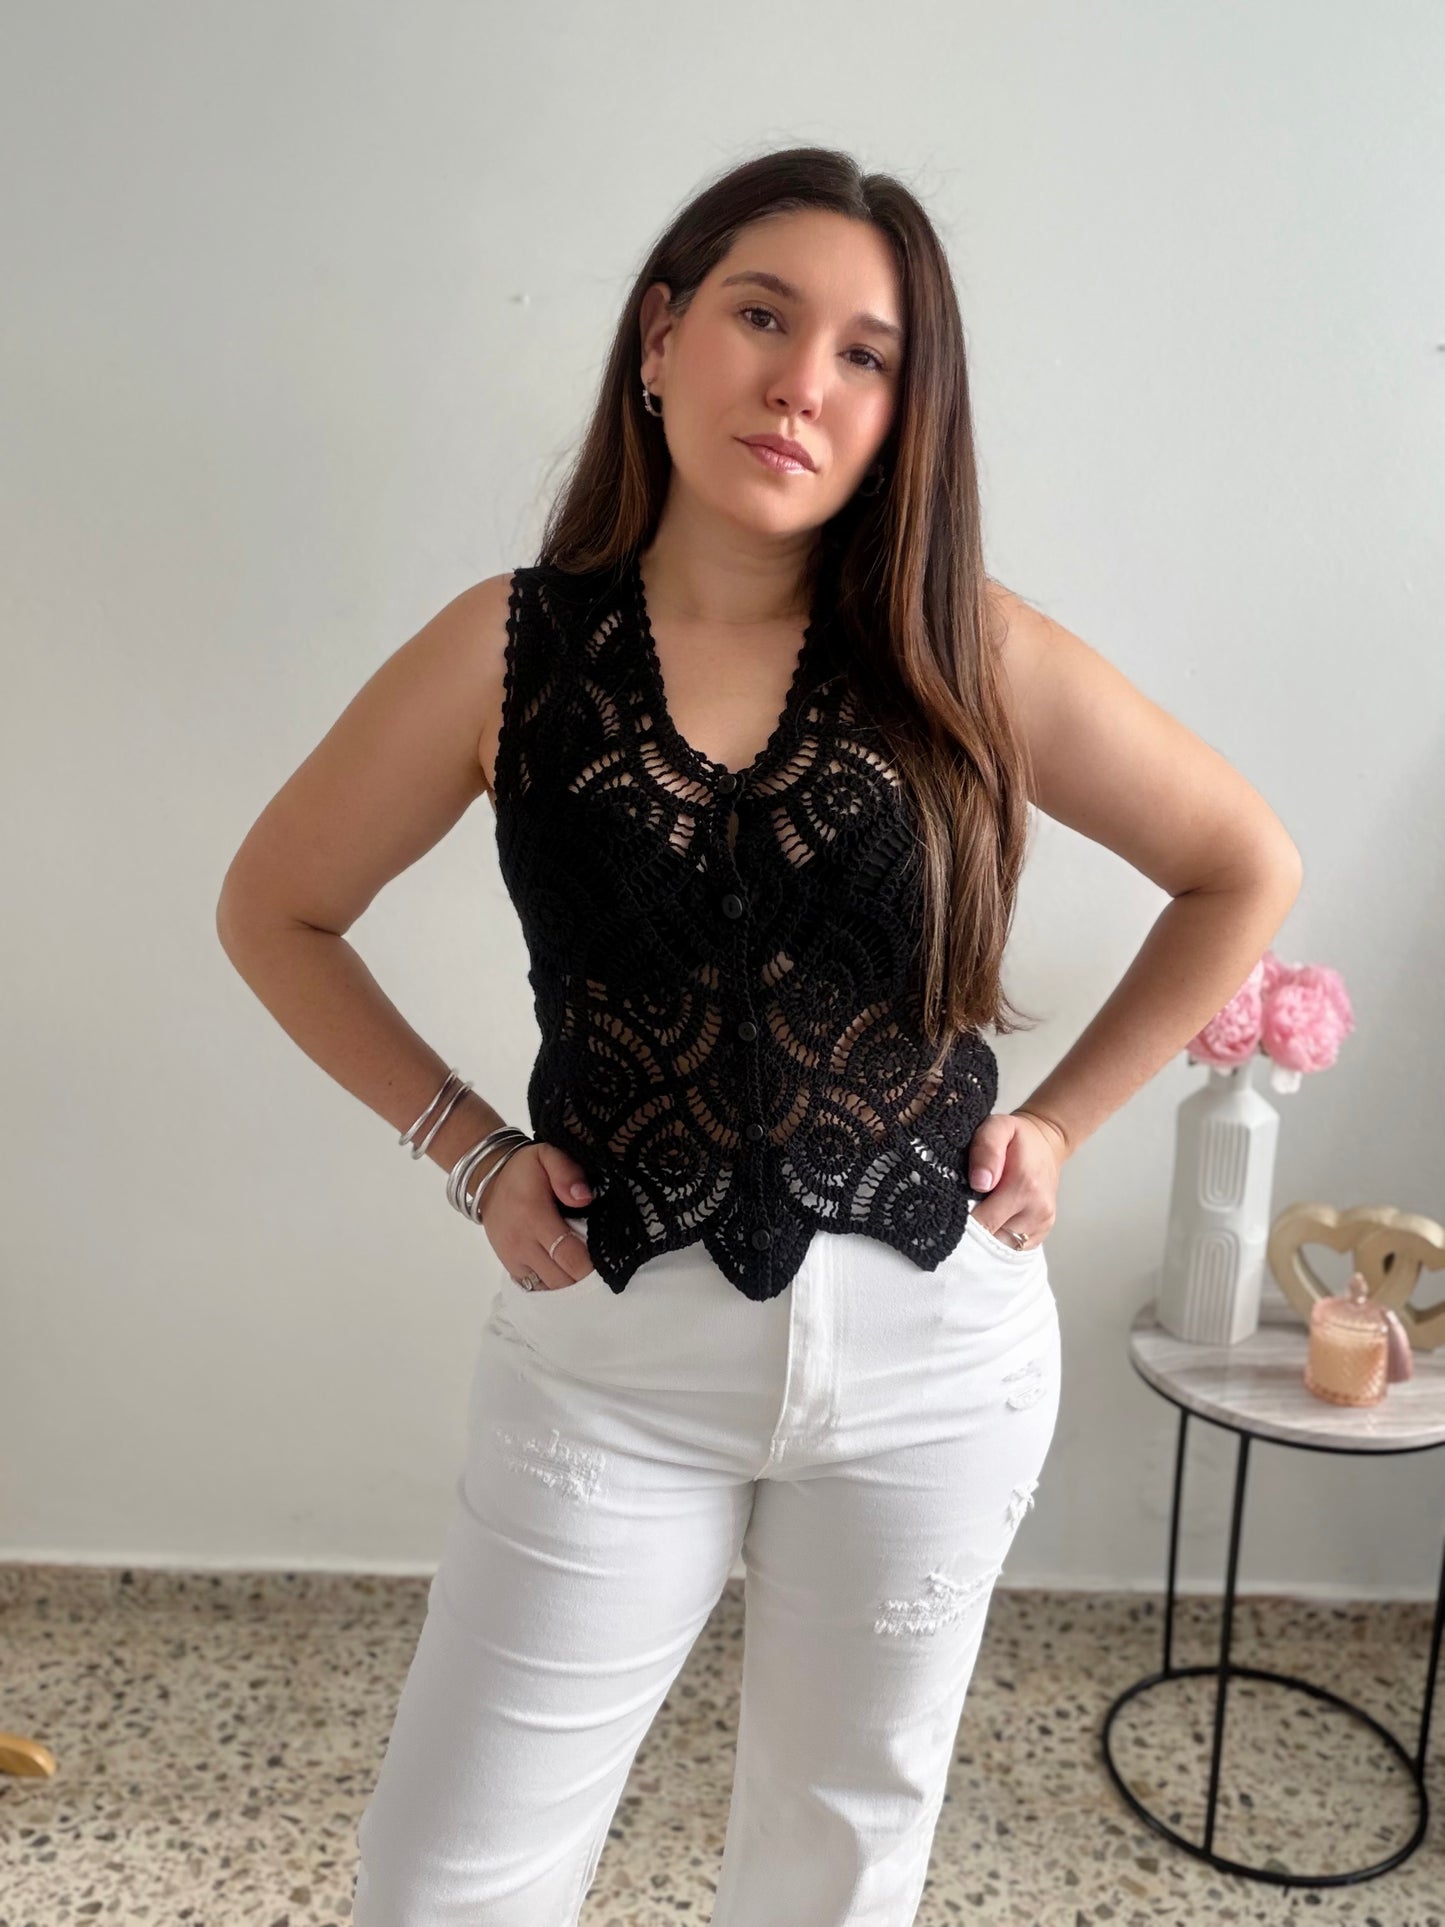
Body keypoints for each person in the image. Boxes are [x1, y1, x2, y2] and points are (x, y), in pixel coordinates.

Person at [216, 146, 1303, 1925]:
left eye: (868, 354)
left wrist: (1068, 1121)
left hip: (937, 1368)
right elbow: (274, 907)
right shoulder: (508, 651)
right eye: (760, 316)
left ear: (902, 415)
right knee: (450, 1879)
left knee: (837, 1858)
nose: (804, 380)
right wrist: (468, 1149)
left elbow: (1236, 866)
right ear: (661, 337)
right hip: (610, 1366)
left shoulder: (968, 650)